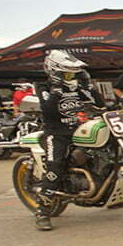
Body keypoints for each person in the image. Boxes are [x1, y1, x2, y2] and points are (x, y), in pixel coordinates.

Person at [34, 51, 100, 231]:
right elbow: (47, 111)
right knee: (55, 167)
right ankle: (42, 210)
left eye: (74, 73)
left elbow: (100, 104)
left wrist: (89, 86)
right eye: (68, 73)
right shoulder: (43, 87)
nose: (72, 77)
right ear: (56, 72)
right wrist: (56, 90)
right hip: (56, 134)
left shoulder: (77, 87)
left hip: (79, 129)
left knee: (104, 152)